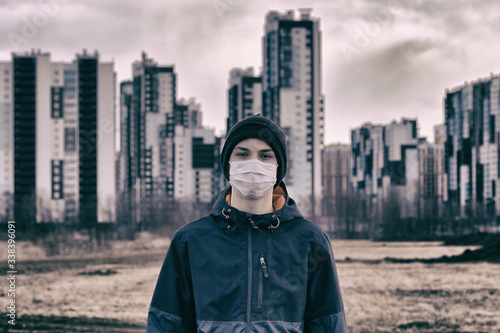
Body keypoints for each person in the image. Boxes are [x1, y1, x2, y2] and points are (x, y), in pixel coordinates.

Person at [147, 114, 347, 332]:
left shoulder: (310, 241)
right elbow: (166, 324)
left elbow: (328, 325)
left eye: (265, 156)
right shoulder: (190, 241)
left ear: (278, 167)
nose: (254, 164)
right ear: (228, 165)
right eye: (242, 154)